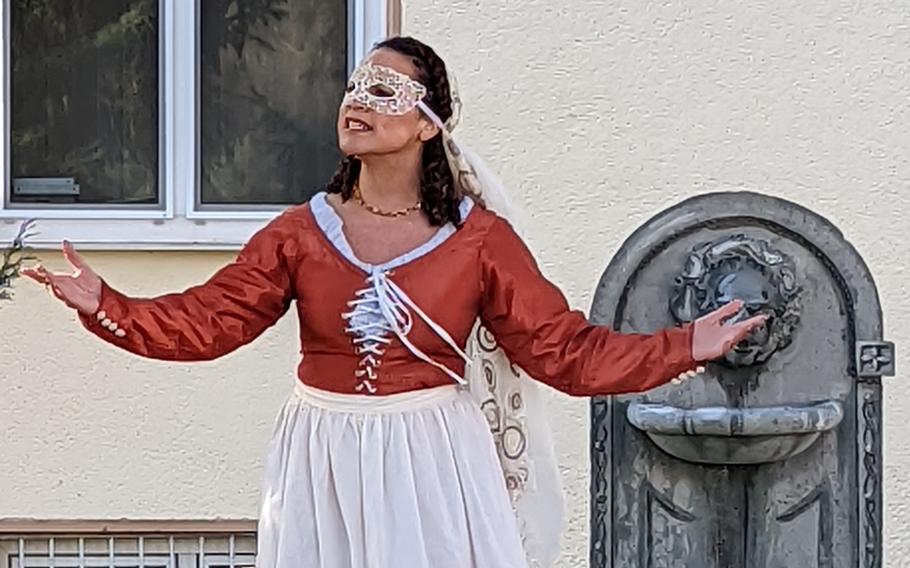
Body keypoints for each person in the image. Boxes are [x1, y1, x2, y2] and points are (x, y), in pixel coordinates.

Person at [24, 36, 766, 568]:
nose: (357, 101)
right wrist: (106, 303)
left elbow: (561, 350)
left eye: (384, 92)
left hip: (431, 455)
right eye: (353, 86)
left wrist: (681, 347)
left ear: (426, 124)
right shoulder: (300, 234)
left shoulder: (479, 243)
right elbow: (210, 320)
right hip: (321, 452)